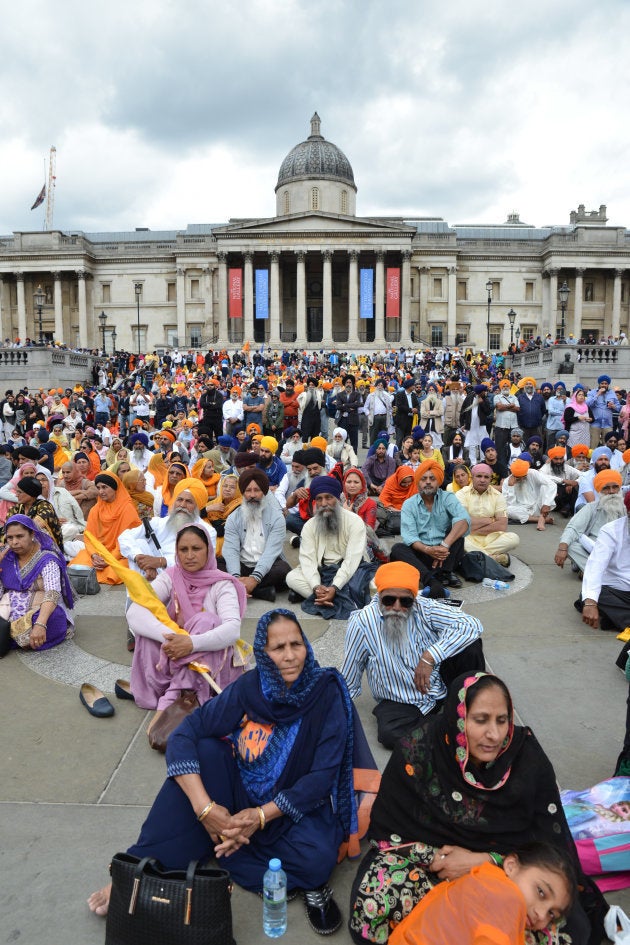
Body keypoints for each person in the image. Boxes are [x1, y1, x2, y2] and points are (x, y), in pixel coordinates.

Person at [88, 609, 376, 936]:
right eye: (278, 648)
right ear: (263, 654)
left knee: (318, 858)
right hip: (240, 793)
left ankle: (231, 843)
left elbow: (320, 779)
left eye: (297, 644)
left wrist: (258, 817)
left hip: (291, 807)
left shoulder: (327, 694)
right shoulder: (250, 688)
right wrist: (206, 809)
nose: (290, 655)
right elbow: (185, 734)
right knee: (207, 752)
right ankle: (135, 871)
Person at [348, 672, 605, 945]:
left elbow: (546, 846)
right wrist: (443, 860)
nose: (494, 735)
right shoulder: (418, 751)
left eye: (502, 720)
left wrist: (484, 861)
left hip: (505, 874)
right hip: (429, 866)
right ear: (457, 718)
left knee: (570, 926)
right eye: (480, 720)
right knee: (374, 905)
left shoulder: (525, 759)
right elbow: (390, 832)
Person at [342, 561, 484, 749]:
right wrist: (331, 708)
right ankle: (450, 726)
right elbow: (350, 676)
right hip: (401, 699)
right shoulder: (361, 622)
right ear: (379, 596)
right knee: (390, 734)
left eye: (406, 601)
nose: (397, 607)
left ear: (415, 599)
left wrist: (429, 657)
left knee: (470, 644)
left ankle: (473, 706)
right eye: (389, 600)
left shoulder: (426, 607)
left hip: (438, 683)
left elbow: (471, 625)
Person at [128, 524, 248, 714]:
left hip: (209, 664)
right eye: (183, 550)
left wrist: (191, 643)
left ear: (208, 550)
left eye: (196, 549)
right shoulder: (172, 575)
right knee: (147, 627)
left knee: (207, 621)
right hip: (175, 652)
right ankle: (170, 688)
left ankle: (183, 692)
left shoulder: (222, 584)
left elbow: (232, 630)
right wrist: (173, 638)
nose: (189, 555)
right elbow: (135, 611)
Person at [388, 841, 576, 945]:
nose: (541, 915)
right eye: (541, 892)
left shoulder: (483, 880)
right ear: (511, 866)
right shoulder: (505, 897)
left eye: (552, 914)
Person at [286, 475, 376, 619]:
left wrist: (335, 587)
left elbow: (352, 560)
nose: (324, 503)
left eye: (329, 497)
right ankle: (324, 595)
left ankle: (321, 598)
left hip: (350, 570)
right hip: (322, 571)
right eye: (319, 499)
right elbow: (308, 560)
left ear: (337, 499)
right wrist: (316, 586)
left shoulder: (354, 522)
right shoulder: (309, 526)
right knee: (291, 577)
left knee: (372, 584)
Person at [389, 460, 470, 593]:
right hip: (422, 553)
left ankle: (445, 572)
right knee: (398, 549)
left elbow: (463, 519)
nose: (427, 482)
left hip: (446, 554)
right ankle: (430, 579)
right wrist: (427, 550)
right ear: (418, 482)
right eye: (423, 479)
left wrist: (444, 545)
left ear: (438, 481)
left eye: (432, 478)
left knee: (458, 532)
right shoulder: (409, 504)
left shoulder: (448, 498)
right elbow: (410, 537)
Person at [0, 515, 75, 653]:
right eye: (10, 538)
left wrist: (40, 624)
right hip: (7, 608)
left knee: (54, 618)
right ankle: (10, 634)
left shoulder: (47, 558)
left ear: (32, 534)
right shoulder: (6, 557)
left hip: (40, 610)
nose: (14, 542)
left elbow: (53, 593)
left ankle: (9, 635)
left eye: (20, 536)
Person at [221, 468, 290, 602]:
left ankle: (244, 588)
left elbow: (271, 552)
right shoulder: (233, 518)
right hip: (242, 566)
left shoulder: (277, 518)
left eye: (257, 490)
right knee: (216, 565)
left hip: (268, 567)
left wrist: (255, 578)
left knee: (283, 570)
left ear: (263, 492)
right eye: (248, 490)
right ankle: (261, 591)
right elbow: (231, 550)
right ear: (243, 493)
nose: (252, 495)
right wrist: (235, 577)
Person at [70, 473, 141, 584]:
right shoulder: (96, 509)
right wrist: (94, 555)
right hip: (99, 554)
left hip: (120, 555)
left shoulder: (127, 509)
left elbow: (127, 542)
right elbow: (89, 537)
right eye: (98, 488)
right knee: (80, 562)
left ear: (114, 489)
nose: (101, 491)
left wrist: (109, 559)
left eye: (104, 487)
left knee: (117, 570)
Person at [554, 470, 625, 575]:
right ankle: (596, 572)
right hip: (594, 550)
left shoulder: (626, 508)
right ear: (599, 490)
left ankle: (590, 571)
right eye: (606, 488)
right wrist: (562, 548)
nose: (611, 491)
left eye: (615, 487)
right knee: (570, 545)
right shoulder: (591, 507)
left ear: (619, 489)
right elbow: (573, 528)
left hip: (619, 552)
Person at [578, 490, 630, 632]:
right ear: (628, 513)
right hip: (615, 588)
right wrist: (590, 603)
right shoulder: (611, 530)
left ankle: (613, 619)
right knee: (593, 594)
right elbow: (596, 565)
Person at [455, 463, 519, 567]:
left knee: (514, 539)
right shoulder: (461, 494)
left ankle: (477, 556)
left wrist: (473, 527)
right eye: (479, 476)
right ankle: (493, 558)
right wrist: (491, 520)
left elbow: (502, 525)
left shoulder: (498, 496)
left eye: (486, 477)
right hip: (469, 538)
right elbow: (462, 523)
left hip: (491, 537)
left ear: (490, 479)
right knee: (459, 539)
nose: (482, 480)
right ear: (472, 477)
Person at [5, 475, 64, 552]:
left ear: (30, 493)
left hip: (44, 549)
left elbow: (34, 526)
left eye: (19, 492)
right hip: (17, 546)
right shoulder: (15, 509)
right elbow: (6, 531)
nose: (16, 495)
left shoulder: (45, 506)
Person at [502, 458, 556, 530]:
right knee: (506, 510)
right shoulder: (507, 482)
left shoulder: (533, 473)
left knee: (545, 487)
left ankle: (542, 518)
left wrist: (546, 504)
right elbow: (510, 504)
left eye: (524, 476)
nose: (521, 479)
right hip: (522, 510)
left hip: (539, 506)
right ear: (513, 475)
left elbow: (552, 484)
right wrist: (511, 487)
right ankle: (538, 519)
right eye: (518, 478)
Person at [586, 374, 620, 449]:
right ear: (599, 384)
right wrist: (598, 394)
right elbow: (588, 404)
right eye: (602, 383)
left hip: (608, 424)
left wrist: (613, 406)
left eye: (606, 384)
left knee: (609, 445)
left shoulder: (612, 393)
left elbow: (618, 408)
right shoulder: (592, 392)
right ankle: (592, 460)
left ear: (608, 384)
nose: (604, 385)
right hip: (595, 424)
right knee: (593, 445)